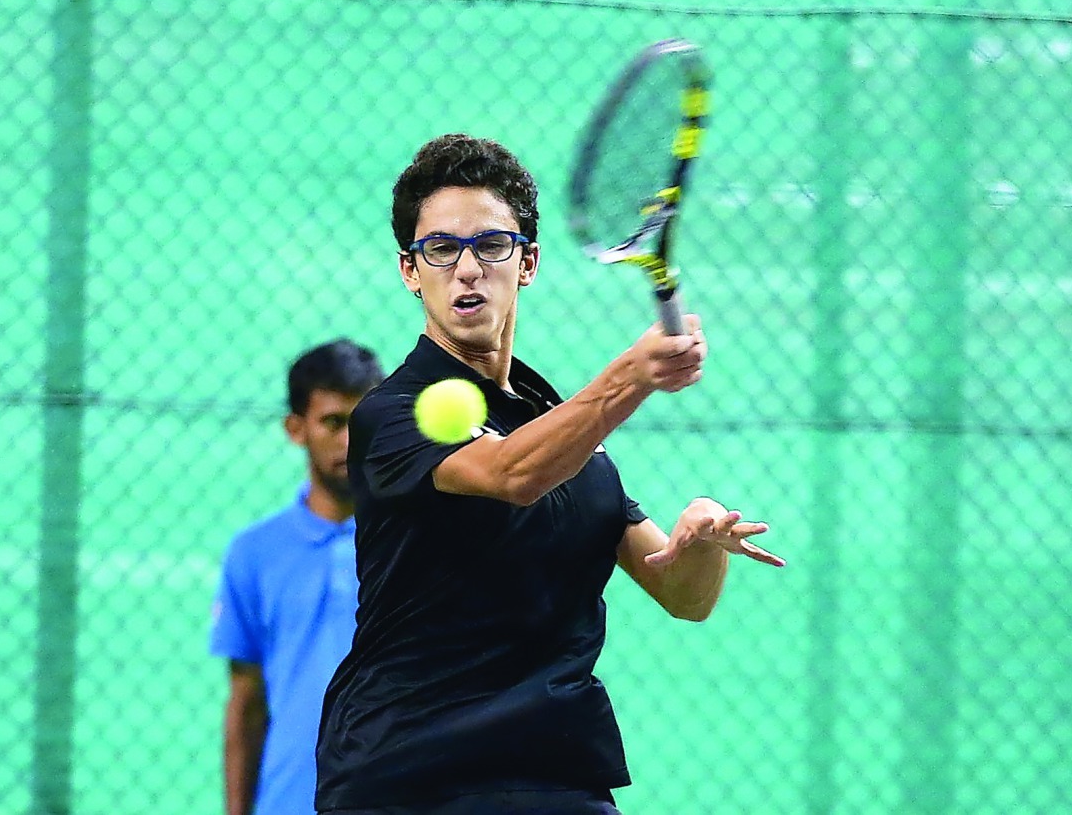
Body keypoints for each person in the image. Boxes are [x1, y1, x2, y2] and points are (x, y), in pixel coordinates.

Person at [314, 134, 786, 815]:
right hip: (413, 777)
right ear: (410, 272)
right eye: (440, 249)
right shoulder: (393, 415)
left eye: (490, 245)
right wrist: (633, 375)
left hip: (555, 775)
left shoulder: (564, 427)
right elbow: (511, 474)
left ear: (527, 261)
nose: (467, 268)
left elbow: (681, 593)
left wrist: (702, 544)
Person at [210, 339, 385, 815]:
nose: (351, 441)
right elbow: (246, 703)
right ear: (296, 429)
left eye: (363, 421)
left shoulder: (419, 544)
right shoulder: (253, 554)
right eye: (333, 422)